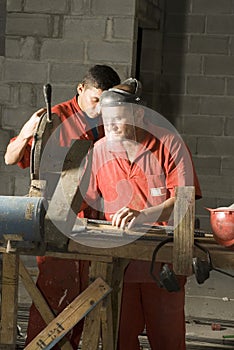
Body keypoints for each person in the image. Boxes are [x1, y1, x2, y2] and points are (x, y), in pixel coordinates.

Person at [4, 64, 121, 349]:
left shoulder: (112, 119)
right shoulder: (55, 118)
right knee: (55, 295)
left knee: (93, 295)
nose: (100, 109)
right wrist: (25, 133)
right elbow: (10, 157)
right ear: (81, 90)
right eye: (95, 100)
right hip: (58, 219)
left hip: (97, 218)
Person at [82, 79, 202, 350]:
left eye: (119, 119)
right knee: (119, 337)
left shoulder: (168, 142)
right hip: (118, 262)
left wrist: (144, 214)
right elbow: (87, 204)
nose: (110, 126)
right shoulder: (99, 150)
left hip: (162, 258)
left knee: (167, 339)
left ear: (138, 116)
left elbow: (184, 199)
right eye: (106, 119)